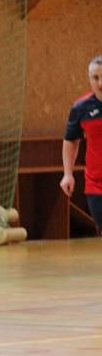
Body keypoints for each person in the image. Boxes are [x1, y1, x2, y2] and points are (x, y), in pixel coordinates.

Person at [60, 56, 102, 230]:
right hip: (96, 185)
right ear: (89, 79)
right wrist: (67, 174)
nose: (100, 83)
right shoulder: (80, 108)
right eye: (96, 78)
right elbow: (70, 141)